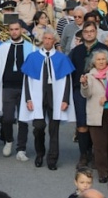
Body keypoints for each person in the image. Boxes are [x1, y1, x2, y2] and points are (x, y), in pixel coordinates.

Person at [19, 29, 75, 170]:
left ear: (54, 41)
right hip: (38, 96)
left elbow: (67, 80)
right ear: (42, 40)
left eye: (50, 38)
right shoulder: (33, 57)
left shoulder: (62, 58)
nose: (48, 41)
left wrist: (65, 99)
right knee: (38, 127)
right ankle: (40, 153)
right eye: (45, 38)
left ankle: (52, 159)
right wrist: (28, 99)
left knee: (54, 130)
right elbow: (27, 80)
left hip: (55, 96)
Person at [68, 21, 108, 168]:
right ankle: (83, 155)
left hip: (99, 90)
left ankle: (95, 153)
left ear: (96, 32)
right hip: (79, 90)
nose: (89, 34)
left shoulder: (104, 49)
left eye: (92, 31)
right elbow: (71, 72)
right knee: (82, 124)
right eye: (86, 31)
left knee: (97, 123)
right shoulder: (76, 50)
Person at [0, 20, 35, 160]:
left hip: (24, 86)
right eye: (11, 29)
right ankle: (9, 140)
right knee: (7, 118)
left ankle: (21, 149)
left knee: (23, 118)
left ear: (21, 30)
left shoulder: (30, 47)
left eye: (17, 29)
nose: (14, 32)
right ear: (8, 31)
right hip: (7, 86)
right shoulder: (2, 47)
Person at [80, 50, 108, 183]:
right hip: (96, 114)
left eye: (103, 59)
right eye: (98, 59)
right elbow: (86, 94)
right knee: (99, 145)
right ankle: (103, 172)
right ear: (94, 62)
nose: (101, 62)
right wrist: (84, 84)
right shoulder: (90, 76)